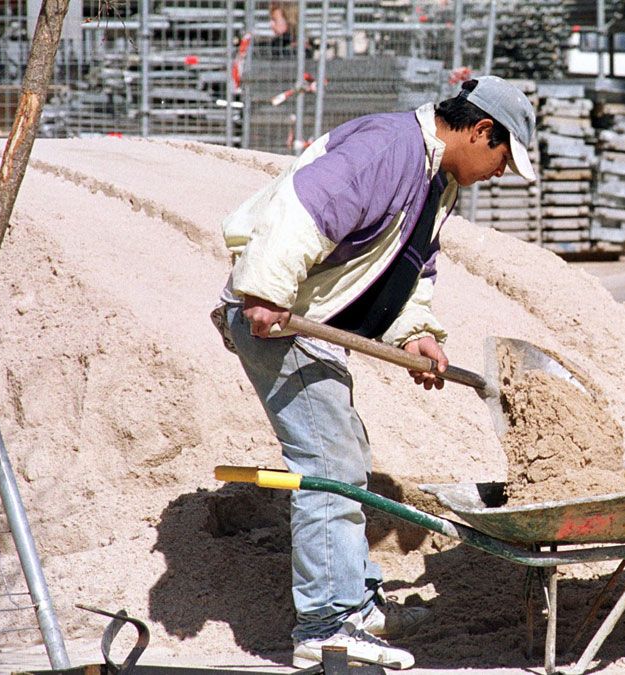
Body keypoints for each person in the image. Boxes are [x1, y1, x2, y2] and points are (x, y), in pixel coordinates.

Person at [210, 76, 536, 669]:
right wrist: (263, 288)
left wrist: (418, 333)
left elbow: (410, 263)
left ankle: (354, 603)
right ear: (482, 130)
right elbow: (303, 208)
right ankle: (328, 623)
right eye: (501, 160)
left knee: (347, 457)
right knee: (329, 468)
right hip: (283, 322)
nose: (497, 174)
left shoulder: (435, 180)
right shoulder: (390, 149)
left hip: (313, 323)